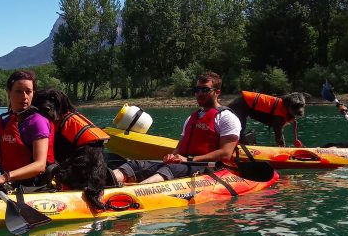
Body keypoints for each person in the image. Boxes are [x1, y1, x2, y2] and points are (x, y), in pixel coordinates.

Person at [112, 71, 241, 184]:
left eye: (205, 90)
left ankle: (134, 193)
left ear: (217, 92)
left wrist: (189, 159)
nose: (200, 93)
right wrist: (172, 156)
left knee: (171, 169)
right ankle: (102, 186)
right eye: (197, 90)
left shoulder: (226, 117)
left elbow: (225, 153)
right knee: (135, 164)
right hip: (184, 163)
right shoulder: (192, 118)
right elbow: (179, 147)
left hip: (208, 167)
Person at [32, 88, 112, 209]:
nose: (47, 105)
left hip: (81, 176)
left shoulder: (64, 125)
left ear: (62, 106)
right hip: (95, 176)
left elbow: (56, 157)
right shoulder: (68, 120)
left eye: (53, 102)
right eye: (42, 100)